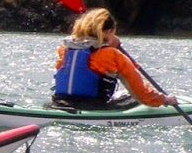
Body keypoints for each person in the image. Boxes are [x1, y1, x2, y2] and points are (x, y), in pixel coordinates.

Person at [50, 7, 178, 110]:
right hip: (93, 106)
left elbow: (88, 52)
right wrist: (166, 100)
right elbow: (142, 94)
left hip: (58, 103)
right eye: (113, 32)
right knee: (132, 95)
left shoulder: (65, 50)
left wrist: (106, 42)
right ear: (108, 31)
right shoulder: (113, 55)